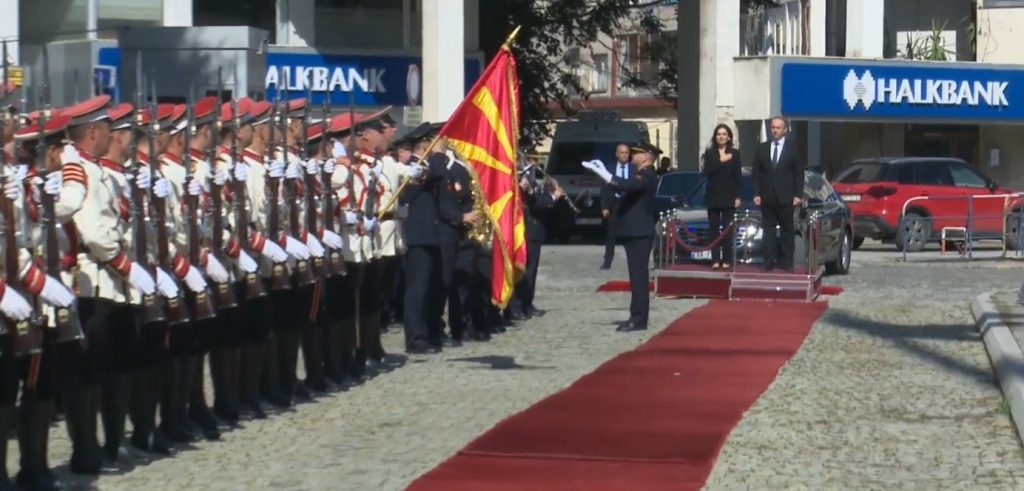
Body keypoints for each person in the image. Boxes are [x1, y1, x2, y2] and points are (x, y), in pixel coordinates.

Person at [582, 142, 658, 332]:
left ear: (646, 157)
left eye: (636, 154)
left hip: (640, 233)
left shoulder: (647, 174)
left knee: (639, 277)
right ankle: (635, 315)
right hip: (634, 232)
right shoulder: (640, 174)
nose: (632, 156)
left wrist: (607, 176)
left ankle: (639, 319)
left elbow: (629, 185)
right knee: (635, 277)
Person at [752, 116, 804, 272]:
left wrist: (798, 195)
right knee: (768, 231)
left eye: (778, 127)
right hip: (767, 197)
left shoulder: (792, 148)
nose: (775, 130)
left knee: (787, 230)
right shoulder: (762, 148)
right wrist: (757, 193)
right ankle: (768, 261)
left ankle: (787, 261)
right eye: (773, 127)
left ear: (785, 130)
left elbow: (798, 174)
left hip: (786, 197)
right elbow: (756, 173)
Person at [702, 124, 742, 269]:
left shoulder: (735, 153)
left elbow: (737, 176)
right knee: (713, 230)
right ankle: (714, 259)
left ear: (729, 137)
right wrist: (721, 161)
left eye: (724, 134)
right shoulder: (710, 153)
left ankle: (726, 259)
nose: (721, 136)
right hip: (713, 196)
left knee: (727, 230)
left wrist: (738, 196)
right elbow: (707, 172)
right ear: (715, 136)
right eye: (719, 134)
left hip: (728, 196)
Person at [599, 143, 632, 270]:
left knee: (630, 232)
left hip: (629, 205)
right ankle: (607, 260)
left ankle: (631, 260)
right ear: (617, 154)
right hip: (614, 204)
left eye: (626, 153)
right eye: (622, 153)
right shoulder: (609, 169)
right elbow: (605, 188)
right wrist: (604, 207)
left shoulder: (634, 169)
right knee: (611, 234)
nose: (624, 155)